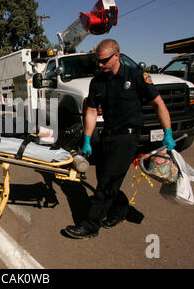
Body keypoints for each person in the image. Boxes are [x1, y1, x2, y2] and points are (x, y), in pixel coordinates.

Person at [65, 39, 176, 239]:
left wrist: (167, 132)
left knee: (105, 184)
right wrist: (88, 138)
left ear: (116, 55)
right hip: (107, 134)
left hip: (128, 137)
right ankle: (120, 208)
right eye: (97, 61)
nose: (100, 65)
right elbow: (90, 110)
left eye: (104, 61)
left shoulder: (136, 76)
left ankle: (90, 226)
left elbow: (158, 103)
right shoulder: (97, 81)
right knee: (104, 179)